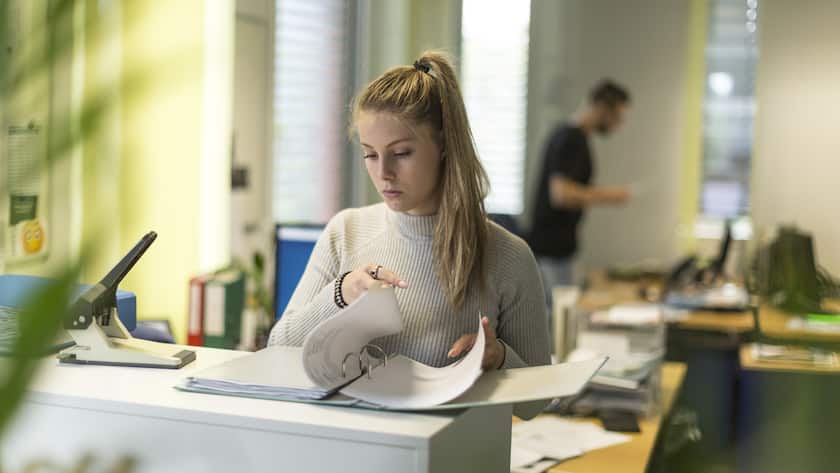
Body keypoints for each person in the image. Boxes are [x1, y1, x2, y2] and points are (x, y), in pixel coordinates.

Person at [268, 52, 550, 416]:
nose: (383, 173)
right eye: (370, 155)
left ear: (444, 145)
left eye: (400, 153)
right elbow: (278, 349)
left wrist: (498, 360)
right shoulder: (346, 231)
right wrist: (341, 293)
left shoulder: (506, 256)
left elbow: (537, 403)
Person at [527, 80, 632, 300]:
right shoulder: (570, 138)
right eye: (618, 117)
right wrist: (611, 196)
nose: (618, 125)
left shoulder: (576, 138)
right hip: (551, 251)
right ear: (603, 107)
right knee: (556, 321)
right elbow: (561, 195)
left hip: (562, 250)